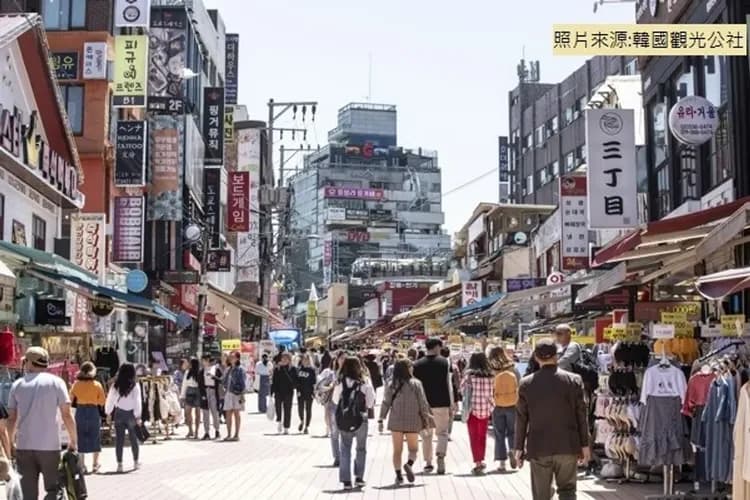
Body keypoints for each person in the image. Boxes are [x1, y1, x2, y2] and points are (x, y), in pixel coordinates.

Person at [515, 338, 590, 500]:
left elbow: (521, 419)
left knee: (541, 495)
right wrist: (585, 445)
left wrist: (518, 448)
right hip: (568, 445)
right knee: (568, 491)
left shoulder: (526, 383)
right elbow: (581, 416)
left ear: (536, 357)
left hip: (539, 447)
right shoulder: (574, 380)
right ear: (557, 356)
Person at [7, 347, 77, 500]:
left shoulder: (17, 384)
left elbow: (12, 418)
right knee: (54, 489)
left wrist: (10, 442)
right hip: (50, 445)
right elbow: (66, 414)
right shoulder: (57, 382)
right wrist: (73, 439)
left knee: (27, 493)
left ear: (29, 362)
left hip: (24, 445)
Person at [378, 358, 434, 485]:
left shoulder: (391, 383)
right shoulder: (416, 383)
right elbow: (423, 403)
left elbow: (386, 402)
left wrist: (381, 419)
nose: (413, 368)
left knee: (397, 450)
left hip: (396, 420)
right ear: (408, 368)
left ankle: (398, 476)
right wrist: (426, 418)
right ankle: (409, 464)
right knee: (413, 449)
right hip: (413, 420)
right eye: (411, 366)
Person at [333, 356, 375, 490]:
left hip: (345, 418)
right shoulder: (365, 381)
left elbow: (335, 400)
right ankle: (359, 478)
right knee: (361, 449)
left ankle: (346, 481)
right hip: (361, 419)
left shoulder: (340, 382)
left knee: (345, 448)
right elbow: (370, 402)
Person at [413, 337, 454, 474]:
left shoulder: (417, 364)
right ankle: (441, 456)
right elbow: (449, 385)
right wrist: (452, 403)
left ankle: (428, 463)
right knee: (442, 432)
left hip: (424, 404)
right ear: (437, 347)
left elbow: (416, 387)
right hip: (442, 402)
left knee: (426, 434)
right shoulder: (445, 363)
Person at [105, 363, 142, 474]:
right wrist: (138, 415)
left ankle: (119, 464)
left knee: (119, 440)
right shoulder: (135, 386)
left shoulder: (115, 385)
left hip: (119, 413)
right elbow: (137, 402)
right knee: (133, 439)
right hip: (131, 414)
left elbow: (110, 400)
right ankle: (135, 462)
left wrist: (108, 413)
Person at [461, 352, 495, 475]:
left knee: (474, 437)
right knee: (482, 436)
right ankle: (481, 459)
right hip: (486, 409)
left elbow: (463, 391)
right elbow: (492, 393)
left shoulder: (469, 376)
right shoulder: (491, 376)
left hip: (472, 410)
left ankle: (478, 462)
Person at [69, 361, 106, 473]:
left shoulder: (76, 384)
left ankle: (82, 465)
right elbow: (102, 401)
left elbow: (70, 400)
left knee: (80, 436)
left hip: (80, 410)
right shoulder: (97, 384)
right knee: (95, 436)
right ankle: (95, 464)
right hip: (93, 411)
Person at [488, 347, 519, 472]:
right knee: (512, 432)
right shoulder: (512, 367)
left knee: (499, 434)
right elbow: (519, 385)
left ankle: (502, 463)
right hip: (512, 404)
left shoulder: (491, 369)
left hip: (497, 405)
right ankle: (512, 450)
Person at [316, 352, 341, 465]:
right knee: (334, 433)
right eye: (341, 359)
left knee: (345, 434)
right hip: (332, 405)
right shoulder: (331, 375)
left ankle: (344, 456)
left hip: (347, 406)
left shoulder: (352, 375)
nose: (342, 361)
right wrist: (331, 386)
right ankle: (337, 457)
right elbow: (320, 387)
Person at [271, 352, 297, 434]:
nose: (284, 360)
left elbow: (296, 380)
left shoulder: (293, 369)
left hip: (288, 392)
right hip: (278, 391)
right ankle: (279, 422)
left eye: (286, 358)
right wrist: (272, 392)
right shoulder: (277, 368)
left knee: (287, 409)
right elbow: (274, 381)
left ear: (289, 360)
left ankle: (286, 427)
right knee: (278, 407)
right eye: (283, 358)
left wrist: (294, 386)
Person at [223, 351, 246, 441]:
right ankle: (228, 434)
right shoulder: (228, 369)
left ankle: (236, 434)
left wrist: (242, 395)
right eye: (230, 357)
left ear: (237, 358)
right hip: (228, 393)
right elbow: (224, 381)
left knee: (236, 413)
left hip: (237, 393)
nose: (231, 358)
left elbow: (243, 383)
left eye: (233, 357)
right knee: (228, 413)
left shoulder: (240, 369)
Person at [199, 355, 222, 440]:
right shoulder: (201, 371)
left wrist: (214, 377)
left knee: (214, 411)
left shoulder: (216, 369)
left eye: (204, 360)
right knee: (205, 413)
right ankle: (206, 432)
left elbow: (221, 379)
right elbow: (200, 384)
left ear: (208, 360)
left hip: (213, 391)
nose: (203, 362)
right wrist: (202, 395)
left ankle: (217, 430)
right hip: (205, 391)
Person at [180, 358, 202, 439]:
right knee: (188, 412)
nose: (189, 364)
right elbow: (184, 384)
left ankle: (196, 432)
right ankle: (190, 430)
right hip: (190, 391)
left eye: (190, 363)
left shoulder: (200, 372)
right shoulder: (187, 372)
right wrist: (182, 396)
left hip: (197, 391)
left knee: (197, 413)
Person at [296, 353, 316, 434]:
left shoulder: (312, 370)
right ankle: (301, 420)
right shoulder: (299, 369)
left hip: (309, 392)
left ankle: (307, 426)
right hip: (300, 392)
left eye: (306, 360)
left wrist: (314, 392)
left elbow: (314, 382)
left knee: (308, 409)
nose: (305, 361)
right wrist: (298, 390)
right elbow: (297, 381)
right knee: (300, 408)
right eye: (304, 359)